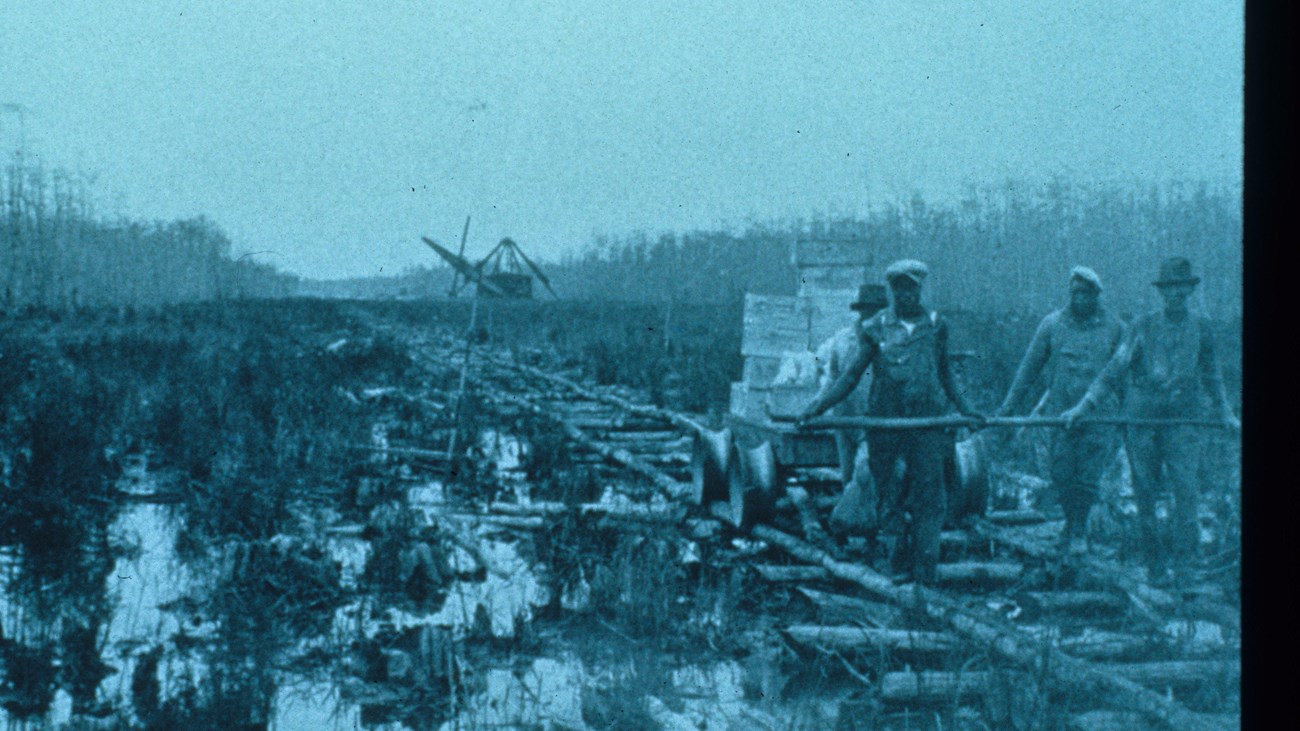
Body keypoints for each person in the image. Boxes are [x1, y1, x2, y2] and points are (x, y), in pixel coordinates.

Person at [799, 260, 985, 584]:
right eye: (899, 288)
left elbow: (945, 373)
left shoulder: (937, 325)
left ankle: (925, 576)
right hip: (885, 427)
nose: (905, 294)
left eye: (911, 287)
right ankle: (896, 570)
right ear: (891, 291)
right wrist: (817, 406)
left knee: (930, 500)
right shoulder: (876, 328)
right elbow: (851, 376)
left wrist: (967, 409)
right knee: (889, 498)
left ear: (920, 288)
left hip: (927, 427)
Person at [1062, 257, 1240, 585]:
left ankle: (1185, 569)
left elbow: (1212, 375)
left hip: (1185, 422)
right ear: (1162, 292)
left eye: (1180, 288)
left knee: (1186, 492)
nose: (1175, 294)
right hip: (1142, 423)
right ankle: (1155, 567)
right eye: (1169, 288)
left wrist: (1226, 413)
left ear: (1189, 290)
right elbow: (1114, 370)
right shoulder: (1142, 326)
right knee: (1145, 494)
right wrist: (1084, 407)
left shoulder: (1201, 327)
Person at [995, 266, 1126, 555]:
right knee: (1062, 472)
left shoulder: (1114, 327)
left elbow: (1125, 372)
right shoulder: (1052, 325)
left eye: (1086, 294)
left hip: (1099, 416)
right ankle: (1072, 521)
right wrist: (1007, 407)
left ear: (1096, 295)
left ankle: (1078, 530)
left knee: (1088, 476)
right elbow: (1028, 369)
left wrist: (1129, 415)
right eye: (1075, 293)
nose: (1080, 299)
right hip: (1060, 417)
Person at [811, 284, 890, 540]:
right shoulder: (843, 340)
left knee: (865, 474)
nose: (872, 315)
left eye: (877, 310)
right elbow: (834, 378)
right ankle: (847, 535)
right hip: (844, 418)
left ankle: (871, 532)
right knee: (847, 477)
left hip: (873, 420)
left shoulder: (888, 341)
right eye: (868, 310)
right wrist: (817, 407)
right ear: (861, 311)